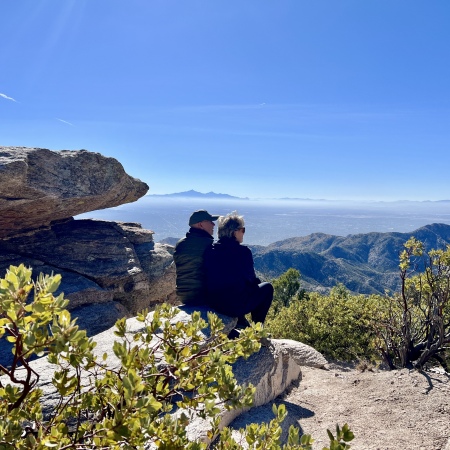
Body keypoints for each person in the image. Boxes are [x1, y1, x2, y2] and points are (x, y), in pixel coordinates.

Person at [204, 211, 273, 331]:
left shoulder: (210, 250)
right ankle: (257, 330)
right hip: (234, 306)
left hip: (214, 304)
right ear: (234, 232)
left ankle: (241, 321)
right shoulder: (243, 252)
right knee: (267, 288)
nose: (244, 233)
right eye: (243, 230)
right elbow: (250, 280)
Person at [173, 209, 219, 306]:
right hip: (201, 295)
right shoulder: (208, 244)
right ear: (200, 224)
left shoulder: (181, 243)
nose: (213, 225)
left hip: (183, 295)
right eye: (210, 221)